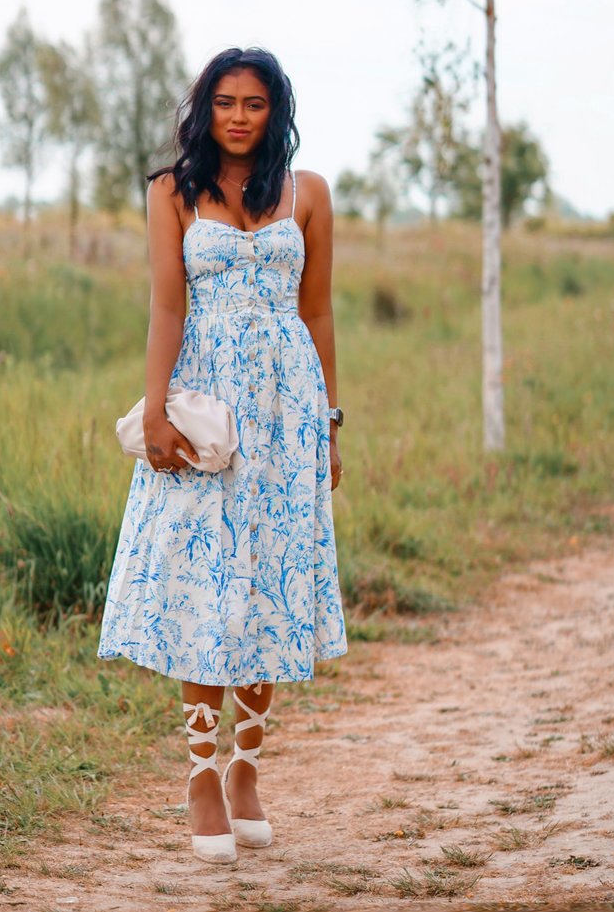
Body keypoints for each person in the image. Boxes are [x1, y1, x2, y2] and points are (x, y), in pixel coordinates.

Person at [97, 46, 348, 864]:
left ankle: (247, 766)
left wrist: (331, 425)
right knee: (206, 584)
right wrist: (160, 407)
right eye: (226, 102)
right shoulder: (171, 192)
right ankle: (201, 771)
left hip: (288, 415)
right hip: (209, 411)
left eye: (255, 103)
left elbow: (319, 316)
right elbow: (165, 306)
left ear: (276, 111)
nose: (240, 116)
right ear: (205, 110)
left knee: (269, 582)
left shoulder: (308, 194)